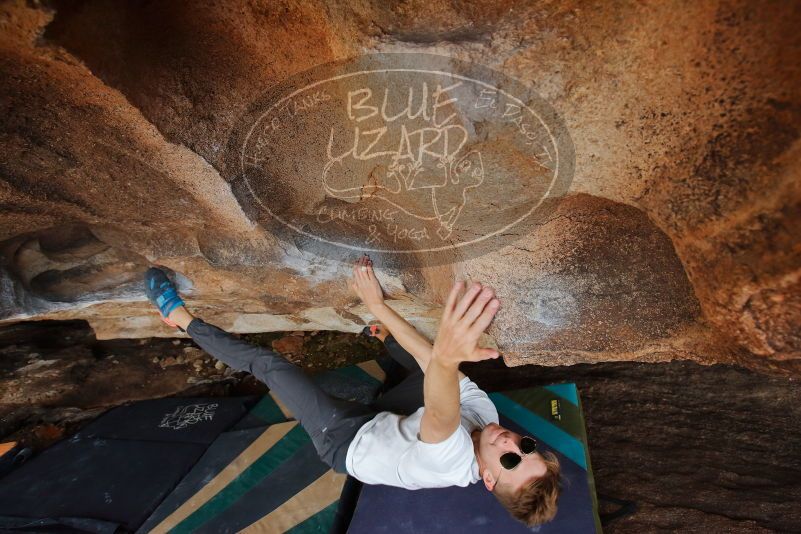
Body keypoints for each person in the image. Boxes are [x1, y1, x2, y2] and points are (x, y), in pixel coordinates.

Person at [144, 256, 560, 526]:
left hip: (348, 440)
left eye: (510, 459)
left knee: (271, 366)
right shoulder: (488, 421)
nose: (512, 442)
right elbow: (434, 367)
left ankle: (178, 318)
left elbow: (443, 408)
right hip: (396, 419)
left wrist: (447, 357)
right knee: (430, 367)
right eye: (527, 446)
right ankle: (380, 333)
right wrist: (379, 308)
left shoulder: (448, 462)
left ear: (487, 478)